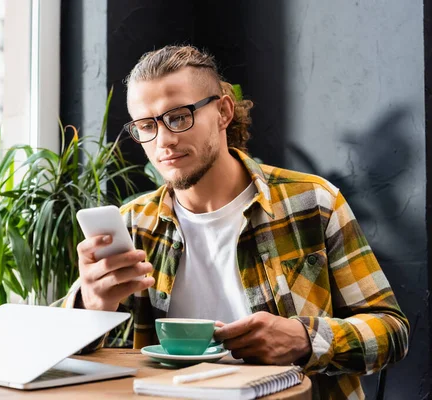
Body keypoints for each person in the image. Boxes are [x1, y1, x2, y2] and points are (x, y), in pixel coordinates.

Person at [53, 45, 409, 399]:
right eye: (147, 126)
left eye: (178, 117)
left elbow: (392, 332)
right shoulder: (134, 225)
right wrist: (91, 306)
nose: (164, 140)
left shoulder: (313, 202)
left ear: (223, 112)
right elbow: (58, 354)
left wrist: (303, 339)